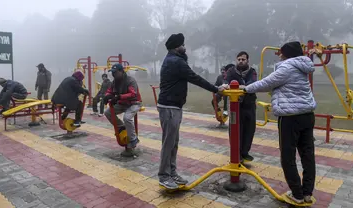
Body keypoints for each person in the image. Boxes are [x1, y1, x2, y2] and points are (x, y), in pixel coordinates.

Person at [244, 41, 316, 204]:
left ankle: (297, 194)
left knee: (288, 156)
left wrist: (245, 88)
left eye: (281, 52)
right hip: (307, 114)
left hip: (290, 117)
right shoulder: (302, 66)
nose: (279, 54)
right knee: (307, 155)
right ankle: (307, 193)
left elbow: (267, 83)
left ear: (287, 53)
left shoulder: (287, 67)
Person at [157, 33, 227, 189]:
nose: (185, 47)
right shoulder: (176, 62)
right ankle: (163, 175)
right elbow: (195, 78)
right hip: (169, 107)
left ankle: (172, 172)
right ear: (177, 47)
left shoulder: (174, 60)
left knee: (173, 142)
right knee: (169, 143)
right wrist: (216, 89)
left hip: (173, 106)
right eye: (183, 45)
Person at [103, 64, 142, 155]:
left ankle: (133, 139)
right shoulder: (115, 82)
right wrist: (107, 96)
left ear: (121, 71)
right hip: (122, 103)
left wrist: (119, 97)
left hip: (134, 103)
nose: (113, 74)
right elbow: (110, 91)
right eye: (112, 72)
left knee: (127, 118)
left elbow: (133, 94)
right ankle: (121, 127)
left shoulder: (130, 80)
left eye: (115, 72)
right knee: (108, 112)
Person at [226, 51, 257, 162]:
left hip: (249, 104)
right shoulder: (231, 71)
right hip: (236, 105)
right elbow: (227, 82)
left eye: (243, 59)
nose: (241, 61)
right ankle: (236, 153)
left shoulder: (252, 71)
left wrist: (241, 87)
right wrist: (242, 87)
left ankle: (245, 152)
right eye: (239, 59)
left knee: (249, 129)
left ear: (247, 60)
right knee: (235, 129)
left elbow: (252, 84)